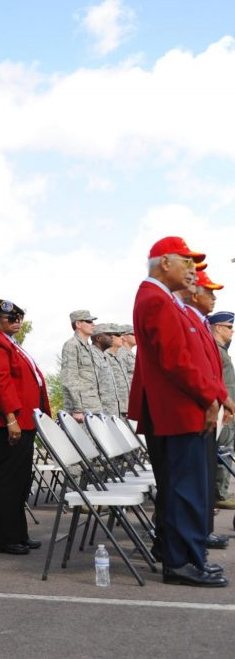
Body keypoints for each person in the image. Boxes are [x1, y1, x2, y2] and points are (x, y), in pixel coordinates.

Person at [129, 237, 229, 587]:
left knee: (186, 488)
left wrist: (214, 396)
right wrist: (210, 397)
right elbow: (177, 361)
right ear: (164, 263)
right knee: (184, 490)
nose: (192, 270)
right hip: (178, 409)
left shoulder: (162, 299)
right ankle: (182, 563)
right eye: (186, 262)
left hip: (184, 408)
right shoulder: (155, 299)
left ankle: (186, 557)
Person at [0, 299, 47, 555]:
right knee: (8, 481)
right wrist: (11, 418)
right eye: (11, 318)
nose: (17, 321)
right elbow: (1, 383)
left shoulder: (12, 344)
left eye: (19, 317)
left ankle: (19, 533)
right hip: (12, 422)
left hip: (24, 420)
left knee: (20, 481)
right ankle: (5, 538)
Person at [183, 268, 231, 550]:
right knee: (188, 479)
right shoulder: (187, 318)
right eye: (209, 292)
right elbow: (187, 366)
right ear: (195, 292)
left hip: (207, 407)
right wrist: (215, 398)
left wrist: (222, 397)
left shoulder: (197, 322)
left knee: (203, 472)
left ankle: (202, 532)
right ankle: (184, 543)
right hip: (194, 410)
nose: (213, 298)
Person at [208, 311, 235, 509]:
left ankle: (220, 492)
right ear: (218, 327)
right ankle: (219, 494)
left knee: (225, 450)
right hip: (220, 409)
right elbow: (216, 381)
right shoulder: (215, 349)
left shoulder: (221, 349)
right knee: (222, 452)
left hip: (226, 408)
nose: (232, 331)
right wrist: (226, 403)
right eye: (229, 327)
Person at [60, 309, 102, 422]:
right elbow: (69, 378)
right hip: (81, 411)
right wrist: (77, 409)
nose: (93, 324)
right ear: (78, 324)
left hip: (94, 407)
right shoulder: (72, 345)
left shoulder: (90, 349)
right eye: (88, 321)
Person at [90, 324, 125, 417]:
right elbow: (91, 386)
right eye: (108, 335)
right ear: (98, 338)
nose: (111, 338)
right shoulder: (92, 355)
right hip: (102, 412)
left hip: (113, 411)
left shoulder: (103, 355)